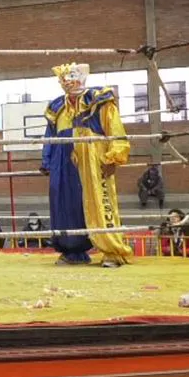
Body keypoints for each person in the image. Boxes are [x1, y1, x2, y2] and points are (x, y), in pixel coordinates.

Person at [40, 63, 132, 267]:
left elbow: (114, 128)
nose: (67, 81)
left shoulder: (99, 100)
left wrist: (114, 156)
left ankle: (112, 251)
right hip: (62, 158)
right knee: (65, 204)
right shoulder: (57, 107)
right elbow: (50, 136)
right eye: (64, 78)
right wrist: (47, 160)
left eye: (72, 76)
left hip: (93, 155)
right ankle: (73, 251)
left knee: (99, 201)